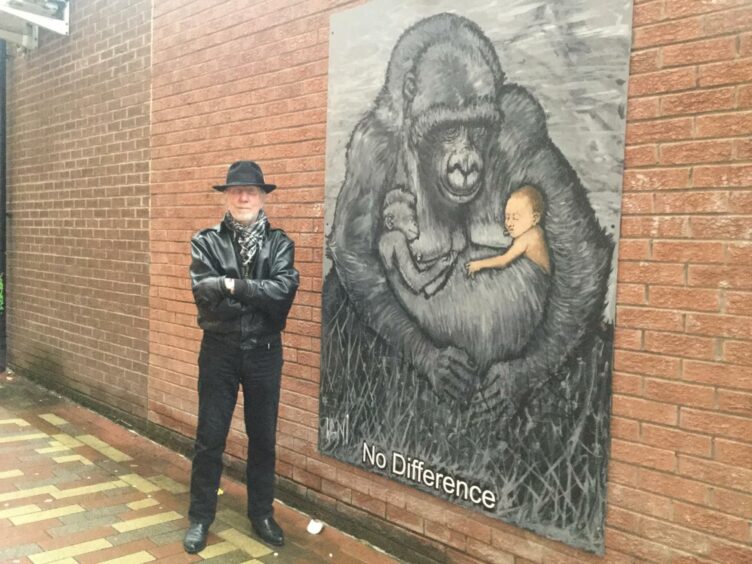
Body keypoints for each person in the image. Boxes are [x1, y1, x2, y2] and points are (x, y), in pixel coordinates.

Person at [183, 160, 299, 554]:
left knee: (263, 438)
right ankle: (200, 517)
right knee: (210, 438)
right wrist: (257, 296)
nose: (244, 196)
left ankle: (261, 513)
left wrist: (230, 285)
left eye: (252, 190)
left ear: (263, 195)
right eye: (237, 190)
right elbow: (205, 298)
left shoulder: (280, 243)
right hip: (219, 351)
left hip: (265, 353)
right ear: (227, 196)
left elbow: (283, 294)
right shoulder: (206, 242)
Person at [379, 188, 453, 296]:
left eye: (414, 220)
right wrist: (439, 267)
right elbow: (416, 283)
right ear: (390, 222)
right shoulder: (397, 238)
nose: (415, 224)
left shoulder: (385, 240)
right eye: (409, 219)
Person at [465, 185, 550, 277]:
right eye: (507, 217)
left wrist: (479, 264)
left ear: (535, 219)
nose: (509, 223)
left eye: (516, 218)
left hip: (541, 278)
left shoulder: (528, 237)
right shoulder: (535, 231)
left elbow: (503, 261)